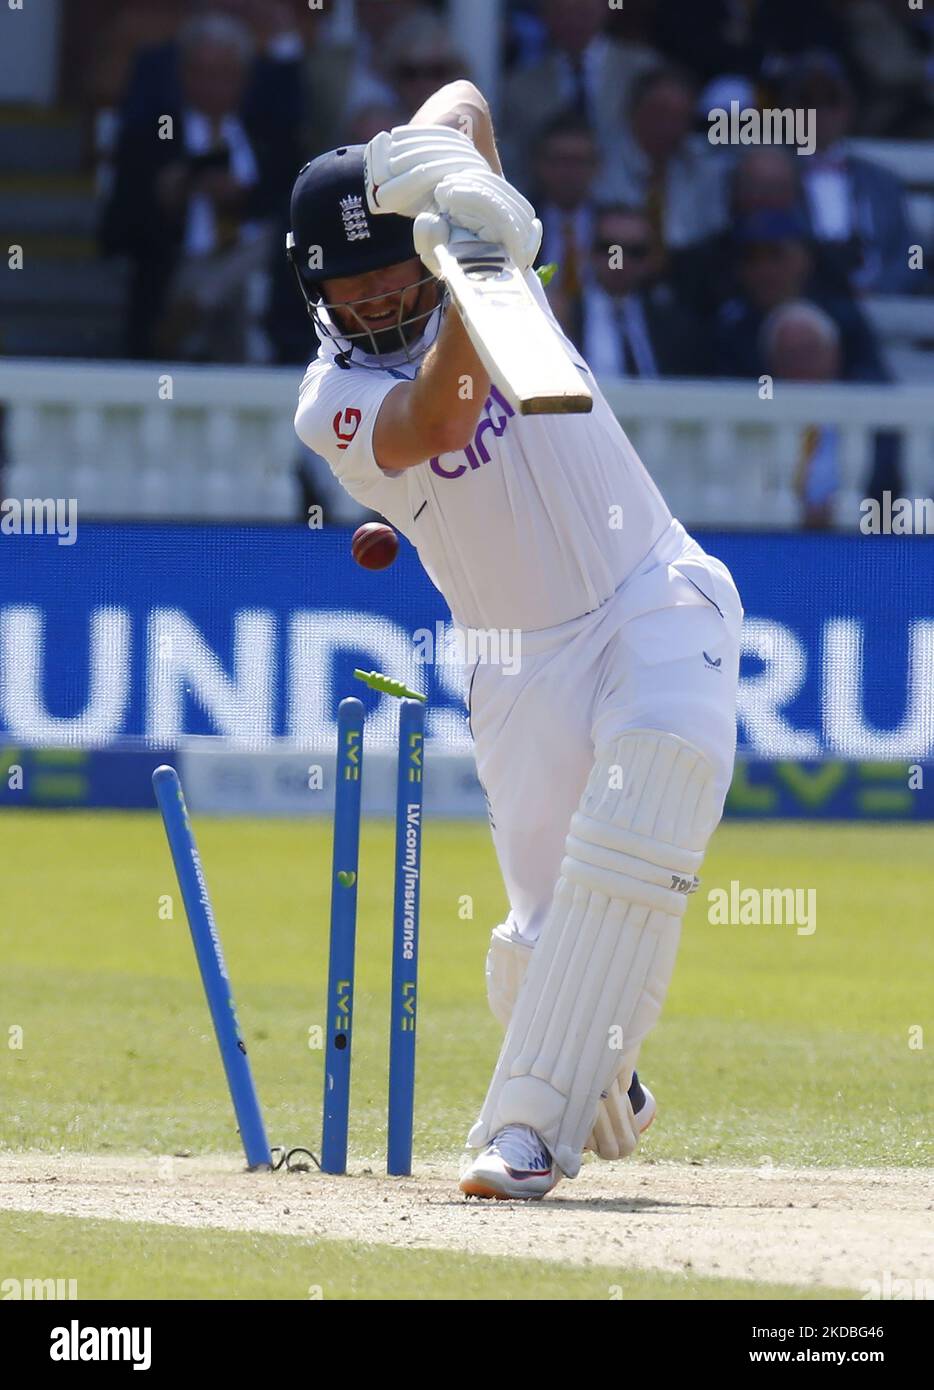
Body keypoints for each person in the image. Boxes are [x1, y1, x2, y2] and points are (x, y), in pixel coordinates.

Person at [288, 83, 743, 1199]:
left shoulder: (480, 253)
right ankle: (602, 1078)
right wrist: (464, 279)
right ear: (317, 297)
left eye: (397, 276)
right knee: (537, 953)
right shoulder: (329, 401)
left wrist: (454, 183)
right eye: (358, 295)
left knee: (656, 785)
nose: (384, 305)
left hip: (652, 588)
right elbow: (438, 420)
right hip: (514, 664)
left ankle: (524, 1132)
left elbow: (468, 100)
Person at [581, 205, 705, 377]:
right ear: (591, 252)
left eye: (634, 251)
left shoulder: (672, 323)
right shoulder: (565, 316)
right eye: (610, 249)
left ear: (650, 259)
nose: (620, 261)